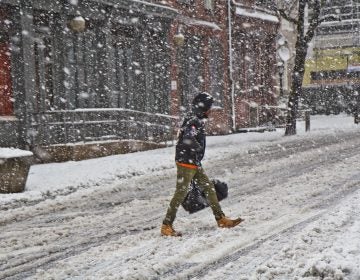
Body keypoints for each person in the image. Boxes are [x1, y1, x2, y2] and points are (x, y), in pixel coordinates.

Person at [161, 92, 244, 237]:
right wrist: (198, 148)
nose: (210, 111)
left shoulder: (194, 119)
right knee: (180, 193)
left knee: (209, 188)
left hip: (193, 162)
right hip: (186, 162)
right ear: (203, 107)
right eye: (208, 107)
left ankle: (221, 219)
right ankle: (166, 225)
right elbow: (188, 138)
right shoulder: (194, 121)